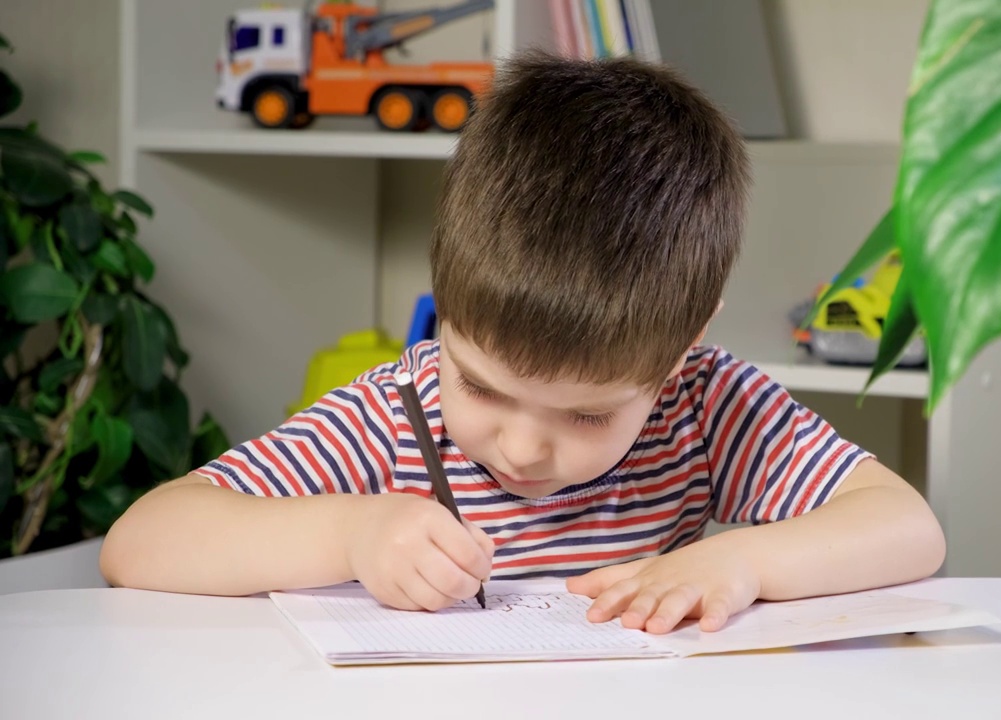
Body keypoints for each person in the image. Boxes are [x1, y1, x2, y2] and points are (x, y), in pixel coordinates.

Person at [101, 52, 945, 635]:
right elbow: (142, 541)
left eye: (584, 417)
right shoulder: (399, 414)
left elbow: (908, 528)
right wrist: (351, 533)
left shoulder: (706, 404)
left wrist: (744, 563)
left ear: (686, 344)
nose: (521, 446)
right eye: (483, 388)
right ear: (447, 311)